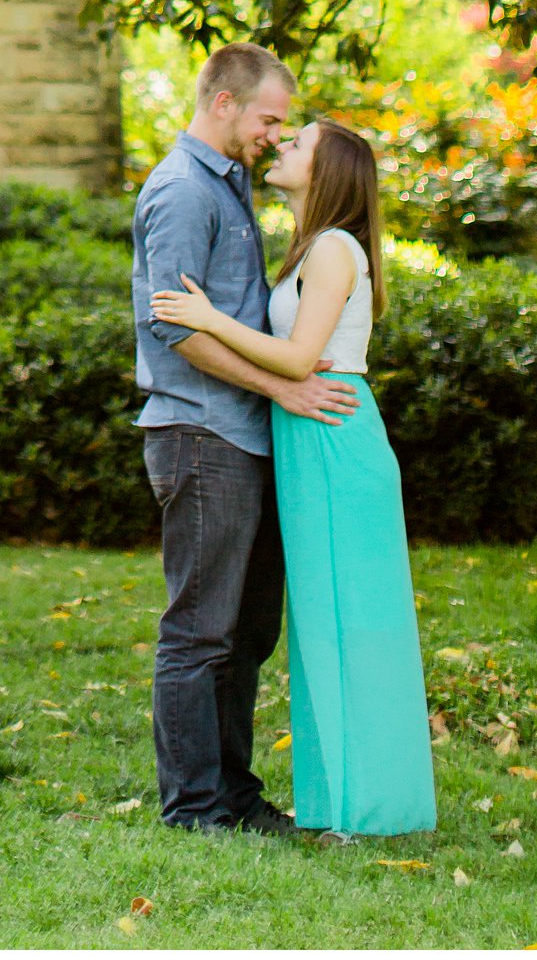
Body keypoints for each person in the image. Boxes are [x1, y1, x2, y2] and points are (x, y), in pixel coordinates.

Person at [151, 114, 436, 838]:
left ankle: (373, 806)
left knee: (351, 623)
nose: (284, 144)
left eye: (299, 140)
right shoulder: (311, 247)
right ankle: (343, 799)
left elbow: (301, 358)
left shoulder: (335, 249)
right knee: (320, 625)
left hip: (333, 437)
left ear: (328, 170)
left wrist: (209, 319)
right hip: (306, 438)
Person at [131, 44, 360, 835]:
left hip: (249, 441)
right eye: (269, 119)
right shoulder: (183, 192)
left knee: (248, 632)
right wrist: (283, 386)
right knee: (199, 630)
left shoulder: (228, 189)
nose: (273, 135)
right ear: (224, 103)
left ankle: (234, 796)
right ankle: (193, 810)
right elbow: (172, 328)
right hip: (200, 435)